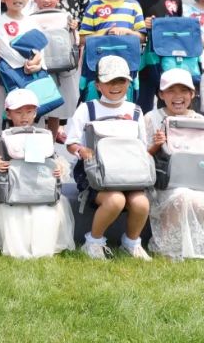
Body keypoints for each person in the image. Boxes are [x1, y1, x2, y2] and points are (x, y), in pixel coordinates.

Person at [65, 56, 152, 260]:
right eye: (109, 81)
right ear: (98, 85)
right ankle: (94, 242)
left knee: (141, 203)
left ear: (129, 83)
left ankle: (131, 242)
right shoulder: (87, 109)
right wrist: (82, 151)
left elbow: (142, 145)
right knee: (115, 200)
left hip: (129, 175)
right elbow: (71, 143)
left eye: (121, 81)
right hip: (96, 176)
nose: (115, 86)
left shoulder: (135, 111)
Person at [144, 69, 204, 260]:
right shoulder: (151, 118)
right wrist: (156, 145)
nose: (178, 96)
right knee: (181, 196)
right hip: (163, 182)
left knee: (202, 200)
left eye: (184, 91)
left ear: (193, 94)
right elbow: (142, 156)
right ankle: (169, 248)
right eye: (171, 91)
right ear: (161, 94)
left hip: (197, 181)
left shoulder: (203, 122)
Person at [0, 88, 76, 259]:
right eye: (18, 112)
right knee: (14, 214)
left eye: (29, 112)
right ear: (8, 114)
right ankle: (20, 249)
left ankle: (41, 248)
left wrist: (59, 169)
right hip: (13, 192)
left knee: (46, 212)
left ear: (36, 113)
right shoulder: (4, 138)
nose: (24, 117)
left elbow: (53, 160)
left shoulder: (43, 136)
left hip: (40, 190)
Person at [0, 0, 43, 135]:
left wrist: (37, 63)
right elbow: (5, 50)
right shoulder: (0, 22)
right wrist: (26, 63)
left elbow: (40, 49)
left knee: (31, 113)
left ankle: (35, 146)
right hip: (6, 76)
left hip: (30, 76)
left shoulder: (32, 22)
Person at [133, 0, 186, 113]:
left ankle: (168, 127)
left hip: (169, 59)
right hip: (145, 62)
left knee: (168, 101)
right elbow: (133, 31)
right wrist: (143, 25)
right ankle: (143, 127)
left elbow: (180, 28)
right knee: (143, 103)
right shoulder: (135, 1)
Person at [28, 0, 80, 141]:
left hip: (61, 68)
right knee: (37, 104)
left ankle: (51, 141)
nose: (47, 0)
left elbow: (75, 40)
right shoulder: (29, 17)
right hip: (38, 67)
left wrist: (74, 29)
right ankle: (37, 140)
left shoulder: (66, 16)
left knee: (57, 107)